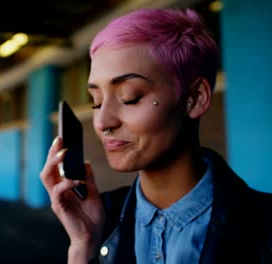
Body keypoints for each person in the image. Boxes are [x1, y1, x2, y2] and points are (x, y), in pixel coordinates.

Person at [39, 8, 272, 264]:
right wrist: (83, 246)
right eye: (96, 101)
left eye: (130, 97)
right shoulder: (100, 219)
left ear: (195, 99)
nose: (102, 122)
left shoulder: (264, 227)